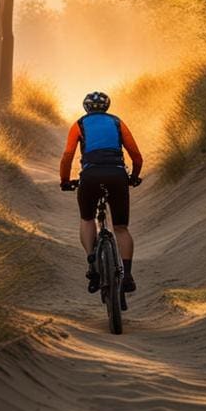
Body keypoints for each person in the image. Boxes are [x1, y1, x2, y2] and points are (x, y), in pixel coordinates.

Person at [60, 91, 143, 294]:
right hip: (117, 176)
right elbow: (136, 156)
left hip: (90, 177)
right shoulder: (117, 123)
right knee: (121, 228)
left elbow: (68, 155)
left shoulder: (79, 125)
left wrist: (65, 180)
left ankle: (92, 263)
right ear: (107, 106)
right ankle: (128, 275)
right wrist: (134, 176)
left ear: (86, 107)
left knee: (87, 219)